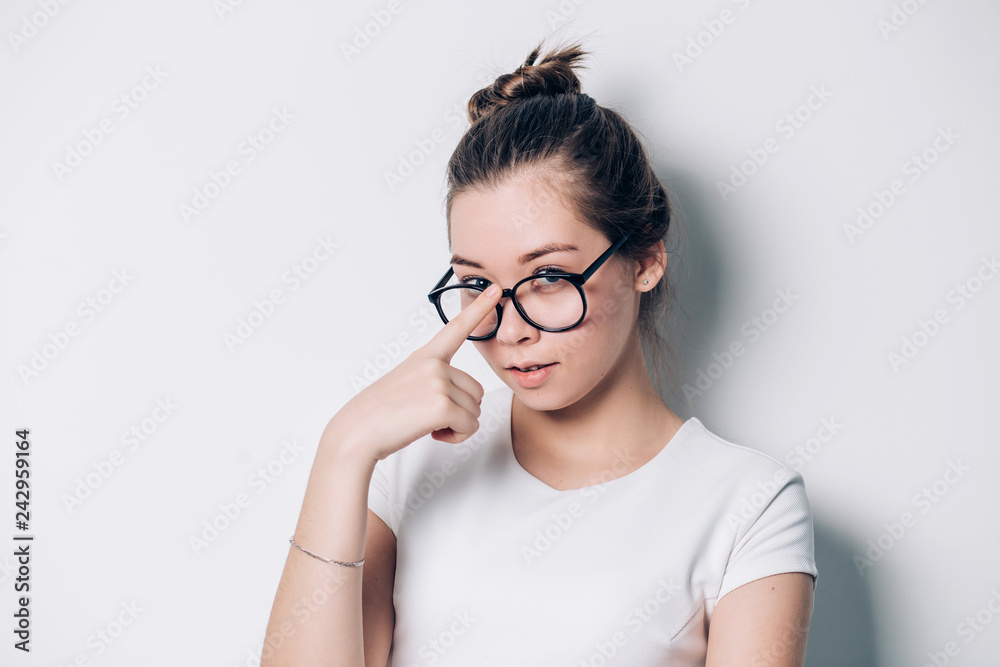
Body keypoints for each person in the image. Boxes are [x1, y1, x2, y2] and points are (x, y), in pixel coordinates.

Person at [262, 39, 818, 667]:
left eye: (550, 276)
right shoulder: (406, 462)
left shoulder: (748, 504)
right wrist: (343, 448)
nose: (509, 329)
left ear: (645, 258)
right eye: (477, 285)